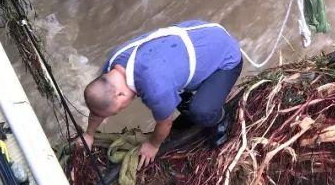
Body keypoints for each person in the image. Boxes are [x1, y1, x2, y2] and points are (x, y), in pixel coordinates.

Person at [81, 20, 243, 168]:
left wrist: (153, 145)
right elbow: (98, 106)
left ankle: (221, 118)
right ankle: (193, 104)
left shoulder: (154, 87)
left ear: (120, 95)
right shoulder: (112, 65)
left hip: (224, 57)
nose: (120, 111)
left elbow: (166, 122)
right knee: (174, 100)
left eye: (117, 110)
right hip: (201, 35)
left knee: (202, 111)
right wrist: (89, 135)